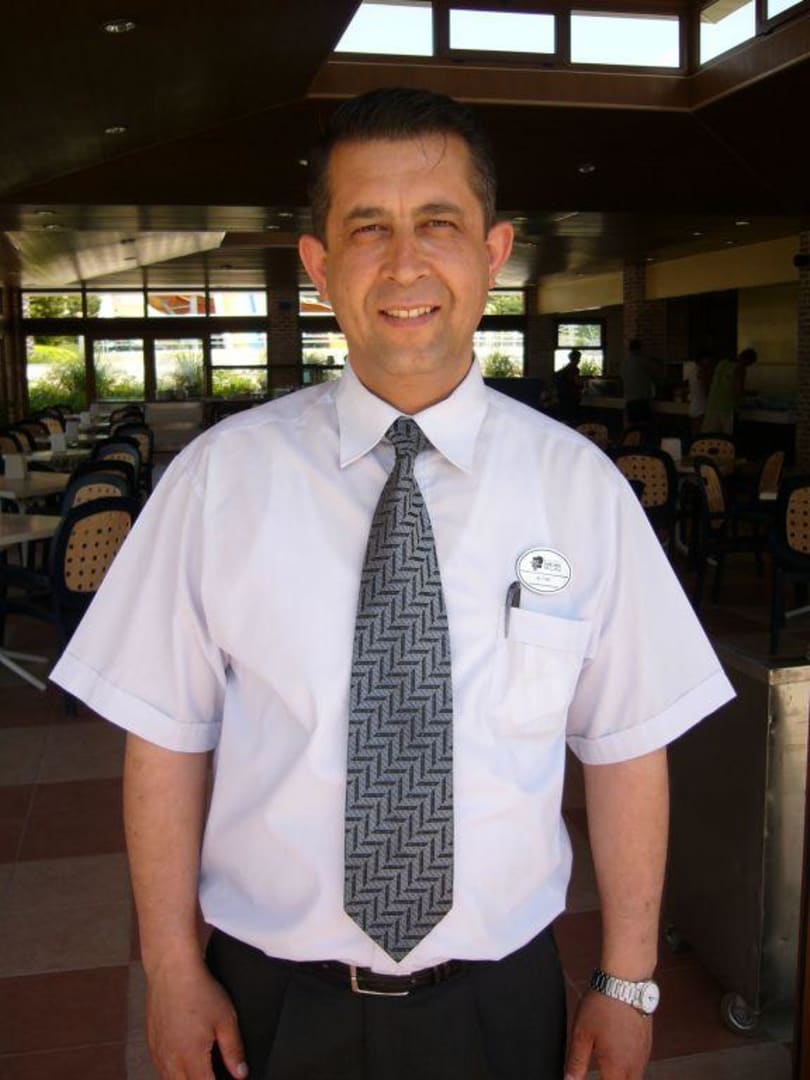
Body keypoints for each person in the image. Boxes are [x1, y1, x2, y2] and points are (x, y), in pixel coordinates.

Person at [51, 88, 734, 1080]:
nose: (405, 264)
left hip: (501, 1004)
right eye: (368, 227)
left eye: (438, 224)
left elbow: (628, 744)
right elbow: (164, 736)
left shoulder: (579, 490)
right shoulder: (218, 482)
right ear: (320, 264)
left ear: (493, 253)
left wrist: (628, 982)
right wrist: (169, 969)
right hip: (271, 1002)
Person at [703, 347, 758, 434]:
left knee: (710, 437)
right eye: (749, 364)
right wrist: (751, 393)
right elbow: (738, 391)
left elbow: (709, 380)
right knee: (727, 439)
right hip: (727, 409)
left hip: (712, 406)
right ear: (747, 360)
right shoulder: (740, 368)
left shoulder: (721, 363)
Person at [621, 338, 660, 425]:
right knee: (644, 426)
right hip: (642, 400)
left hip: (629, 400)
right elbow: (656, 373)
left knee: (633, 426)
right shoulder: (644, 360)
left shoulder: (625, 362)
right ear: (640, 348)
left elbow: (623, 377)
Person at [682, 352, 711, 435]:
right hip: (702, 408)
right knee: (702, 435)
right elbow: (706, 391)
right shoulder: (702, 372)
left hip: (693, 407)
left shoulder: (692, 370)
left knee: (695, 434)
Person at [554, 348, 584, 425]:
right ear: (576, 359)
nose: (579, 360)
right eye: (578, 358)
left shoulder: (564, 369)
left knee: (565, 418)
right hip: (570, 397)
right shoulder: (574, 369)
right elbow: (577, 383)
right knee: (571, 418)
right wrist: (582, 385)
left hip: (562, 396)